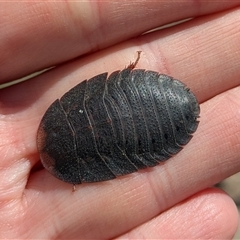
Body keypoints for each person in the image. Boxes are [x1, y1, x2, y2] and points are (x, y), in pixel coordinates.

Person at [0, 1, 239, 239]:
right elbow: (97, 90)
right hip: (139, 100)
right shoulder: (60, 116)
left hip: (144, 102)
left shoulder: (71, 157)